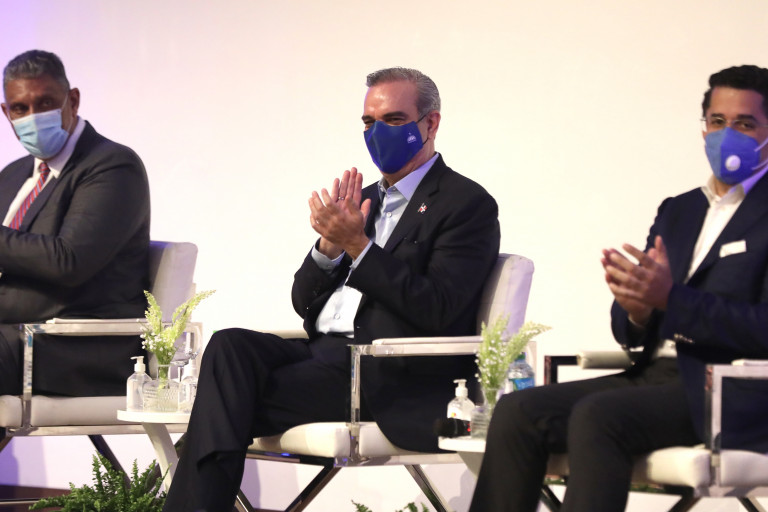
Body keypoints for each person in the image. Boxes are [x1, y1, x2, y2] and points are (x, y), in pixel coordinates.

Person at [163, 67, 501, 511]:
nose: (377, 133)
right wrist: (329, 246)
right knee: (229, 347)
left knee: (221, 405)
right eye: (368, 122)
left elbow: (438, 307)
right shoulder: (363, 201)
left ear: (430, 123)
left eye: (393, 120)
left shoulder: (465, 204)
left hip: (383, 374)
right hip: (321, 354)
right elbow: (302, 303)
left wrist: (359, 246)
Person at [469, 64, 768, 512]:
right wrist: (638, 311)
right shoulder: (680, 210)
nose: (727, 134)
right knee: (518, 412)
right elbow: (631, 324)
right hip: (655, 377)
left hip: (731, 393)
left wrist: (671, 299)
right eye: (717, 121)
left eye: (744, 124)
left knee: (599, 416)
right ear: (703, 126)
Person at [0, 50, 150, 397]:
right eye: (20, 108)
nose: (33, 117)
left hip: (76, 345)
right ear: (7, 113)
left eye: (45, 103)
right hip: (16, 335)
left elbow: (69, 261)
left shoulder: (112, 166)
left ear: (73, 100)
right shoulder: (13, 176)